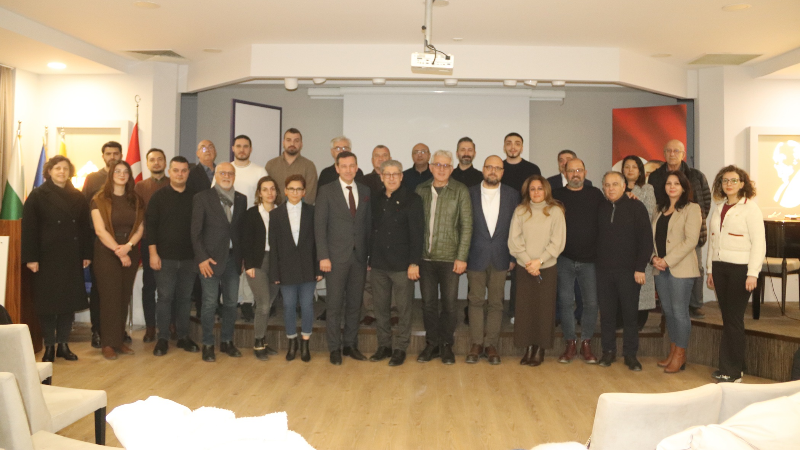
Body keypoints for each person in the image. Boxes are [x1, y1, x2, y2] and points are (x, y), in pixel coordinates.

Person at [22, 156, 92, 362]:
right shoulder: (38, 195)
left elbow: (84, 227)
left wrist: (86, 253)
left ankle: (63, 344)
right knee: (47, 303)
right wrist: (31, 258)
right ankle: (49, 346)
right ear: (49, 171)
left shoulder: (77, 196)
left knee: (67, 302)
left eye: (65, 169)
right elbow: (29, 229)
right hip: (46, 257)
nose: (62, 172)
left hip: (71, 255)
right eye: (57, 168)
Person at [707, 165, 765, 383]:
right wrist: (710, 270)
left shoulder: (751, 208)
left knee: (733, 319)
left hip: (741, 270)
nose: (728, 184)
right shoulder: (718, 207)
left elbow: (759, 243)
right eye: (725, 181)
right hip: (720, 268)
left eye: (733, 180)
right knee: (728, 318)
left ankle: (731, 372)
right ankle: (734, 366)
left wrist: (753, 273)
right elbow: (713, 241)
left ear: (742, 184)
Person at [315, 151, 372, 365]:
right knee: (334, 305)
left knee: (355, 304)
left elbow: (367, 224)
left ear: (357, 167)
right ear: (337, 168)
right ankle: (334, 348)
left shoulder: (365, 190)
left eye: (352, 166)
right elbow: (319, 226)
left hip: (359, 257)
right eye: (344, 166)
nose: (348, 170)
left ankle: (350, 344)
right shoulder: (326, 190)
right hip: (335, 258)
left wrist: (368, 255)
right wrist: (323, 256)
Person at [416, 150, 473, 365]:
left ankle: (447, 344)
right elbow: (414, 226)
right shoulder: (420, 190)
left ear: (451, 168)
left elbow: (467, 226)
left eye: (446, 165)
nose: (441, 169)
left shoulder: (460, 190)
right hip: (425, 258)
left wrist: (461, 257)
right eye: (438, 165)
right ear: (431, 167)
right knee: (428, 304)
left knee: (449, 304)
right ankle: (432, 344)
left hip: (450, 259)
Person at [368, 160, 424, 366]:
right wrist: (369, 258)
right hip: (379, 263)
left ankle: (400, 348)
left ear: (401, 176)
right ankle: (384, 346)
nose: (391, 178)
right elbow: (370, 230)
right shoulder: (375, 199)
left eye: (395, 174)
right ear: (381, 177)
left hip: (403, 265)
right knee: (380, 308)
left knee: (404, 309)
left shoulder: (413, 199)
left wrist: (414, 263)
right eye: (387, 174)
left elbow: (417, 233)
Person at [596, 171, 653, 371]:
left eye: (615, 184)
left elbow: (646, 240)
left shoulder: (637, 207)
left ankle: (630, 355)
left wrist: (640, 268)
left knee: (630, 316)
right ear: (603, 187)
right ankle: (608, 352)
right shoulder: (600, 207)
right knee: (607, 315)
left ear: (623, 186)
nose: (610, 188)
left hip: (629, 273)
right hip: (604, 272)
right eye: (607, 185)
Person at [648, 139, 711, 320]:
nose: (672, 154)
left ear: (683, 154)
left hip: (689, 230)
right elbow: (654, 202)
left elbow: (706, 201)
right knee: (664, 270)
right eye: (668, 150)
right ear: (664, 154)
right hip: (664, 228)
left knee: (695, 267)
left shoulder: (696, 175)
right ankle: (667, 303)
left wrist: (693, 220)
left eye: (676, 151)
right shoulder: (655, 176)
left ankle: (695, 305)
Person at [191, 162, 247, 362]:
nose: (226, 176)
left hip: (233, 259)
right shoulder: (202, 198)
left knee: (231, 303)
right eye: (222, 173)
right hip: (210, 260)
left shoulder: (241, 199)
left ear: (234, 176)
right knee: (209, 303)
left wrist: (243, 258)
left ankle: (227, 341)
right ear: (215, 175)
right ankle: (207, 343)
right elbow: (195, 232)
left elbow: (241, 232)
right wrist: (202, 259)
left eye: (230, 173)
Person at [466, 155, 519, 365]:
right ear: (483, 169)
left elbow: (516, 228)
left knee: (496, 303)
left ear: (502, 172)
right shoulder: (469, 193)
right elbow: (463, 226)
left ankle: (491, 345)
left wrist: (513, 256)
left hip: (501, 256)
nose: (493, 171)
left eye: (497, 168)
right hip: (475, 255)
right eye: (489, 167)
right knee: (475, 300)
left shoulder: (512, 195)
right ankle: (476, 343)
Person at [508, 175, 566, 366]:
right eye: (532, 189)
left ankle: (540, 348)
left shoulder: (555, 211)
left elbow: (557, 242)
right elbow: (514, 241)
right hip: (525, 268)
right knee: (525, 309)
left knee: (543, 310)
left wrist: (539, 262)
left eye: (540, 188)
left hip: (546, 269)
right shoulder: (520, 210)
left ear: (546, 190)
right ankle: (527, 347)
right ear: (527, 191)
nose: (536, 192)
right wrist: (528, 262)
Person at [146, 156, 200, 357]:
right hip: (164, 258)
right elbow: (151, 227)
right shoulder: (158, 197)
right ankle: (162, 338)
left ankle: (183, 336)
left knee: (185, 299)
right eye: (176, 170)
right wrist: (153, 254)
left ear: (188, 173)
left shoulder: (196, 197)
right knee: (165, 298)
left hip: (189, 258)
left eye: (184, 170)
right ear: (169, 172)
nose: (180, 174)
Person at [91, 161, 145, 360]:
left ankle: (118, 340)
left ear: (129, 176)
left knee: (123, 296)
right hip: (107, 251)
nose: (122, 175)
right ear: (111, 175)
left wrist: (128, 247)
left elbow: (140, 227)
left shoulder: (136, 200)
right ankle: (107, 343)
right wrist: (118, 251)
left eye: (125, 172)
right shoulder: (99, 199)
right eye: (118, 171)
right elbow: (100, 231)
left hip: (129, 249)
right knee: (110, 298)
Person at [551, 158, 602, 364]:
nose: (575, 174)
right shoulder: (556, 195)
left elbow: (612, 208)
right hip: (564, 258)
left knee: (591, 303)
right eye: (571, 171)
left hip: (590, 260)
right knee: (565, 302)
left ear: (585, 172)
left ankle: (586, 343)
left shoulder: (595, 194)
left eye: (579, 170)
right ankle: (570, 343)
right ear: (565, 173)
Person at [651, 171, 702, 374]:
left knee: (680, 312)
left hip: (681, 268)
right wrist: (654, 258)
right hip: (660, 268)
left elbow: (691, 241)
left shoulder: (692, 208)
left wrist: (667, 260)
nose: (672, 187)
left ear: (683, 187)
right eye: (668, 183)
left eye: (676, 183)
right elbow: (652, 238)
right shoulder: (658, 209)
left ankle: (680, 354)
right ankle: (673, 351)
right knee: (669, 311)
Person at [269, 174, 322, 362]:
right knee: (289, 305)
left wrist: (319, 269)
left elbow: (318, 242)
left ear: (304, 192)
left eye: (299, 189)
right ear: (285, 191)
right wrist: (274, 272)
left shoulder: (312, 212)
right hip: (286, 268)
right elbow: (274, 246)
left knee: (307, 305)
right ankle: (292, 341)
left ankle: (305, 342)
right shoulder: (275, 214)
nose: (295, 192)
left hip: (308, 267)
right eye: (291, 189)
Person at [82, 141, 122, 348]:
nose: (112, 156)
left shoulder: (125, 178)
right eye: (108, 153)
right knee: (99, 290)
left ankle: (117, 331)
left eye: (116, 153)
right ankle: (97, 331)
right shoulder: (92, 179)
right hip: (98, 241)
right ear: (103, 156)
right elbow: (84, 209)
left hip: (122, 243)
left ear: (121, 155)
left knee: (119, 290)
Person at [501, 132, 541, 322]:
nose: (513, 147)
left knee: (521, 271)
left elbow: (538, 196)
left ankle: (517, 311)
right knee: (497, 271)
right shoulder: (498, 168)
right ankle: (497, 313)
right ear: (504, 147)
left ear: (522, 147)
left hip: (526, 226)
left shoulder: (532, 169)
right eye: (509, 143)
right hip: (500, 226)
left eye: (517, 143)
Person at [229, 135, 268, 322]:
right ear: (233, 148)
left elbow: (266, 194)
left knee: (250, 262)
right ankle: (231, 300)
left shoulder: (259, 171)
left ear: (250, 149)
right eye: (238, 146)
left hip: (253, 222)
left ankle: (247, 302)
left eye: (245, 146)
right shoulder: (226, 169)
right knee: (235, 263)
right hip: (231, 223)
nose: (242, 149)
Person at [242, 176, 282, 360]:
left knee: (269, 303)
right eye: (265, 189)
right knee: (263, 304)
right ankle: (258, 342)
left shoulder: (282, 213)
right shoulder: (251, 213)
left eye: (272, 189)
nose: (269, 193)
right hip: (257, 263)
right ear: (259, 193)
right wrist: (248, 264)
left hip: (276, 263)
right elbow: (245, 240)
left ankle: (263, 341)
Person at [134, 148, 169, 343]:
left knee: (170, 285)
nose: (156, 163)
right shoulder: (140, 187)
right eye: (152, 160)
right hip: (148, 242)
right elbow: (137, 215)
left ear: (165, 162)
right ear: (147, 164)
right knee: (149, 285)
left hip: (171, 243)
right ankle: (150, 327)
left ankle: (170, 324)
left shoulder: (173, 183)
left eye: (160, 159)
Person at [621, 155, 657, 328]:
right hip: (620, 246)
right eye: (627, 167)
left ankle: (639, 320)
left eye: (634, 167)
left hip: (641, 243)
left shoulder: (647, 189)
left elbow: (650, 213)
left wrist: (633, 200)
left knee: (642, 286)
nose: (630, 170)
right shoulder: (616, 188)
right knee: (622, 286)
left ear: (640, 171)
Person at [360, 145, 392, 325]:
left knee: (392, 275)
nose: (381, 158)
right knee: (368, 276)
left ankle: (393, 311)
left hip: (392, 235)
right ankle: (371, 311)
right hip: (369, 233)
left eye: (384, 155)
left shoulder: (396, 178)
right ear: (372, 160)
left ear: (390, 158)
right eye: (377, 156)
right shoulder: (364, 181)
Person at [266, 128, 319, 204]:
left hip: (300, 210)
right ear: (283, 143)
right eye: (288, 140)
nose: (292, 144)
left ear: (301, 144)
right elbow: (266, 192)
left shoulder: (309, 166)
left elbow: (310, 196)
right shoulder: (271, 165)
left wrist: (294, 209)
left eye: (296, 141)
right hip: (275, 210)